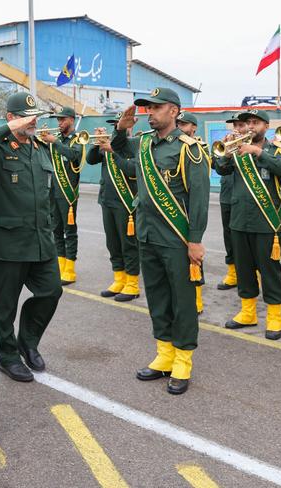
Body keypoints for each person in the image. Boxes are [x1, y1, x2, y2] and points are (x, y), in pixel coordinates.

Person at [110, 88, 211, 395]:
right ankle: (164, 354)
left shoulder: (188, 148)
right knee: (156, 297)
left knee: (182, 301)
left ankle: (182, 360)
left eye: (155, 107)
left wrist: (195, 240)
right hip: (147, 235)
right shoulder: (142, 143)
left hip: (177, 239)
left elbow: (199, 199)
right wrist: (120, 129)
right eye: (147, 108)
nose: (149, 112)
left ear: (173, 111)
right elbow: (119, 150)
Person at [0, 92, 63, 382]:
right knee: (3, 305)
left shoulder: (40, 148)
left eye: (35, 117)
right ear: (11, 118)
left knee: (51, 291)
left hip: (40, 240)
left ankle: (28, 341)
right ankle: (8, 356)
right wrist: (8, 129)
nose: (33, 122)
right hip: (6, 243)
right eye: (26, 117)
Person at [213, 109, 281, 340]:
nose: (250, 126)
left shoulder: (278, 148)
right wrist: (227, 152)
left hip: (266, 222)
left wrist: (257, 152)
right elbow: (220, 169)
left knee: (269, 271)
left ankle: (275, 316)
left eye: (255, 122)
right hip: (239, 220)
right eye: (247, 123)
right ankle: (248, 312)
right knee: (244, 269)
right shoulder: (237, 148)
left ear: (266, 126)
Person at [86, 113, 140, 301]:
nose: (116, 127)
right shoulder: (109, 142)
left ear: (132, 125)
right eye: (115, 124)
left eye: (121, 124)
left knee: (129, 244)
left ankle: (132, 283)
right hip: (107, 200)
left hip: (125, 202)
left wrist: (112, 152)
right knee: (113, 243)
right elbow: (91, 160)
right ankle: (119, 278)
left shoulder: (135, 144)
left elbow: (132, 169)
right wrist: (96, 143)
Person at [39, 106, 85, 285]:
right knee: (55, 230)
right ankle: (60, 265)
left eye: (62, 120)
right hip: (53, 191)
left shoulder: (78, 139)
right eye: (58, 120)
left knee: (69, 231)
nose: (59, 123)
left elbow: (74, 156)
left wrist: (54, 143)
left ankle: (70, 269)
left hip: (68, 193)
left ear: (71, 120)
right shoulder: (55, 139)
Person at [177, 111, 209, 315]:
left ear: (193, 128)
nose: (180, 127)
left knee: (193, 258)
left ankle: (197, 300)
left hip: (190, 209)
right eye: (178, 123)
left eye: (184, 124)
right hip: (174, 206)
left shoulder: (198, 149)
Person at [216, 113, 248, 291]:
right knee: (228, 237)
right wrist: (225, 153)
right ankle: (232, 272)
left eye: (240, 125)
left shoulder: (252, 146)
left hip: (244, 198)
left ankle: (252, 273)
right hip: (227, 196)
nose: (237, 129)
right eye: (234, 126)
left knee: (246, 239)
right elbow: (216, 166)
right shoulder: (228, 146)